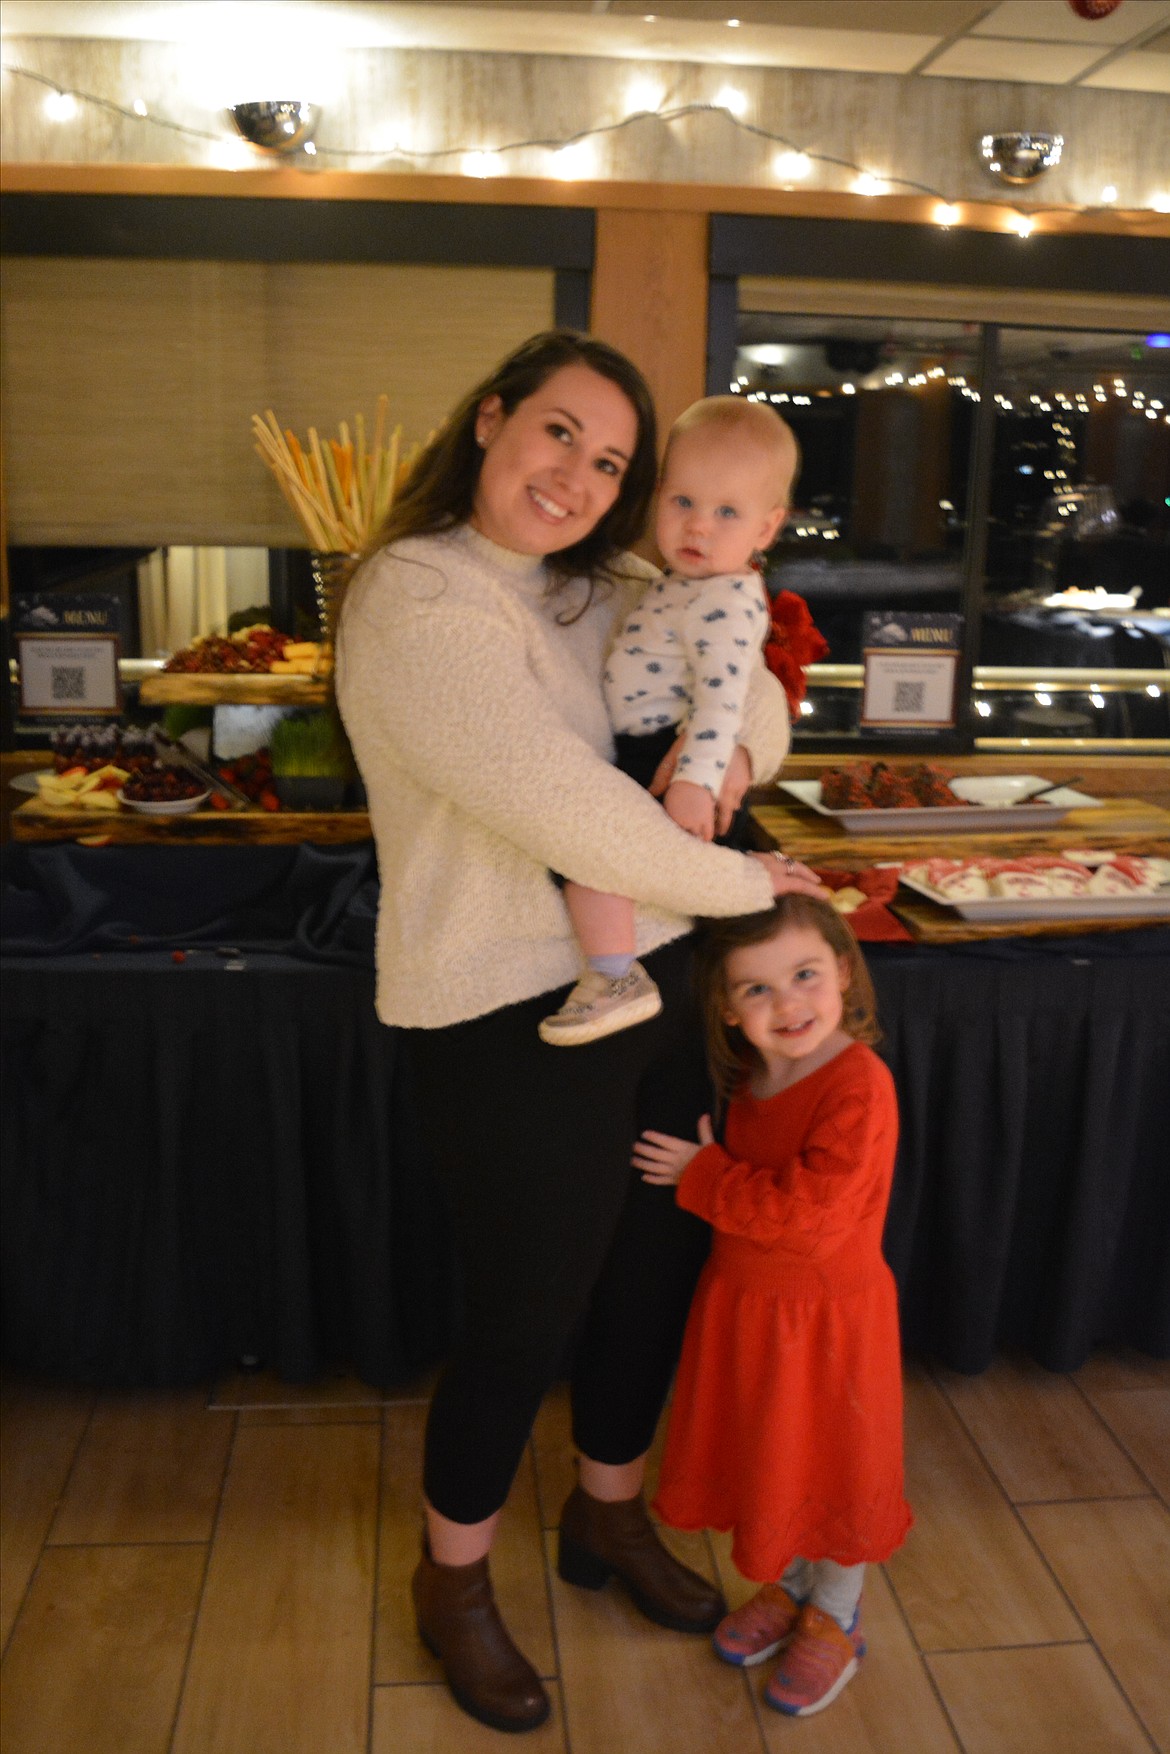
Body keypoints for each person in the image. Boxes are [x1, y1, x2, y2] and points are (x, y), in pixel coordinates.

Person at [334, 329, 823, 1735]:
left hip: (654, 981)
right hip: (500, 1009)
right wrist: (737, 870)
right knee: (523, 1315)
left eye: (611, 460)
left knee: (648, 1279)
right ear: (490, 419)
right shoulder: (415, 593)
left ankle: (605, 1516)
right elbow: (565, 808)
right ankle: (456, 1578)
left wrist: (724, 756)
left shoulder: (604, 582)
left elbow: (759, 688)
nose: (579, 475)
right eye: (558, 434)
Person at [634, 894, 912, 1719]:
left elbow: (812, 1220)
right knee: (775, 1453)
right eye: (756, 989)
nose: (786, 1004)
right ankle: (792, 1588)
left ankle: (837, 1614)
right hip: (750, 1310)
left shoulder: (859, 1083)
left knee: (834, 1460)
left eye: (803, 976)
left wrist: (703, 1175)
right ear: (725, 1006)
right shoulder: (750, 1075)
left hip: (829, 1321)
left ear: (843, 974)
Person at [539, 395, 799, 1048]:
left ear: (767, 529)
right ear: (657, 495)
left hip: (669, 756)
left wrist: (696, 779)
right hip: (655, 748)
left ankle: (615, 976)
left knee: (592, 859)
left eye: (727, 512)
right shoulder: (681, 583)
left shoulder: (726, 602)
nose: (698, 527)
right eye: (683, 502)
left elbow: (723, 703)